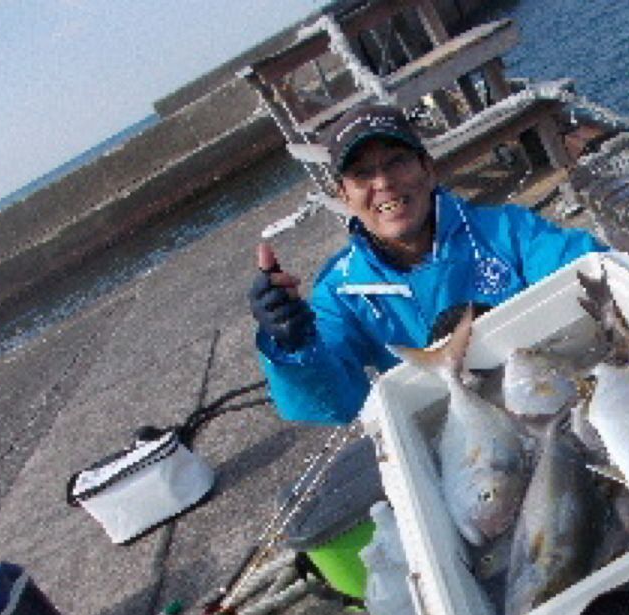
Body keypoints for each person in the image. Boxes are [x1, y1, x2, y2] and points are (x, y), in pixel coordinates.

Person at [248, 102, 606, 424]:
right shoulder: (341, 291)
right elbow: (338, 404)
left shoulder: (507, 230)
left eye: (396, 162)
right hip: (452, 431)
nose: (384, 182)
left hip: (548, 399)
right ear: (344, 196)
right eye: (361, 174)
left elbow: (589, 271)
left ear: (428, 169)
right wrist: (294, 345)